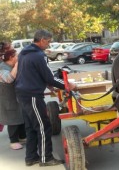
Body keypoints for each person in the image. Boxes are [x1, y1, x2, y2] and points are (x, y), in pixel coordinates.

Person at [15, 30, 76, 167]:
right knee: (44, 127)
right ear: (42, 40)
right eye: (48, 41)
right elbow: (49, 76)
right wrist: (67, 85)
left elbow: (33, 73)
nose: (48, 45)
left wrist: (48, 85)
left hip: (22, 93)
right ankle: (46, 158)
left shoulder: (25, 52)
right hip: (32, 95)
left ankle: (31, 157)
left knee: (31, 127)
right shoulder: (38, 55)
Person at [0, 49, 26, 150]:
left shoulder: (10, 66)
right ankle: (13, 141)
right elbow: (9, 79)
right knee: (12, 119)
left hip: (15, 97)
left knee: (21, 116)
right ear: (11, 58)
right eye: (17, 56)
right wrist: (16, 66)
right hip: (6, 98)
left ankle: (22, 136)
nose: (19, 58)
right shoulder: (2, 68)